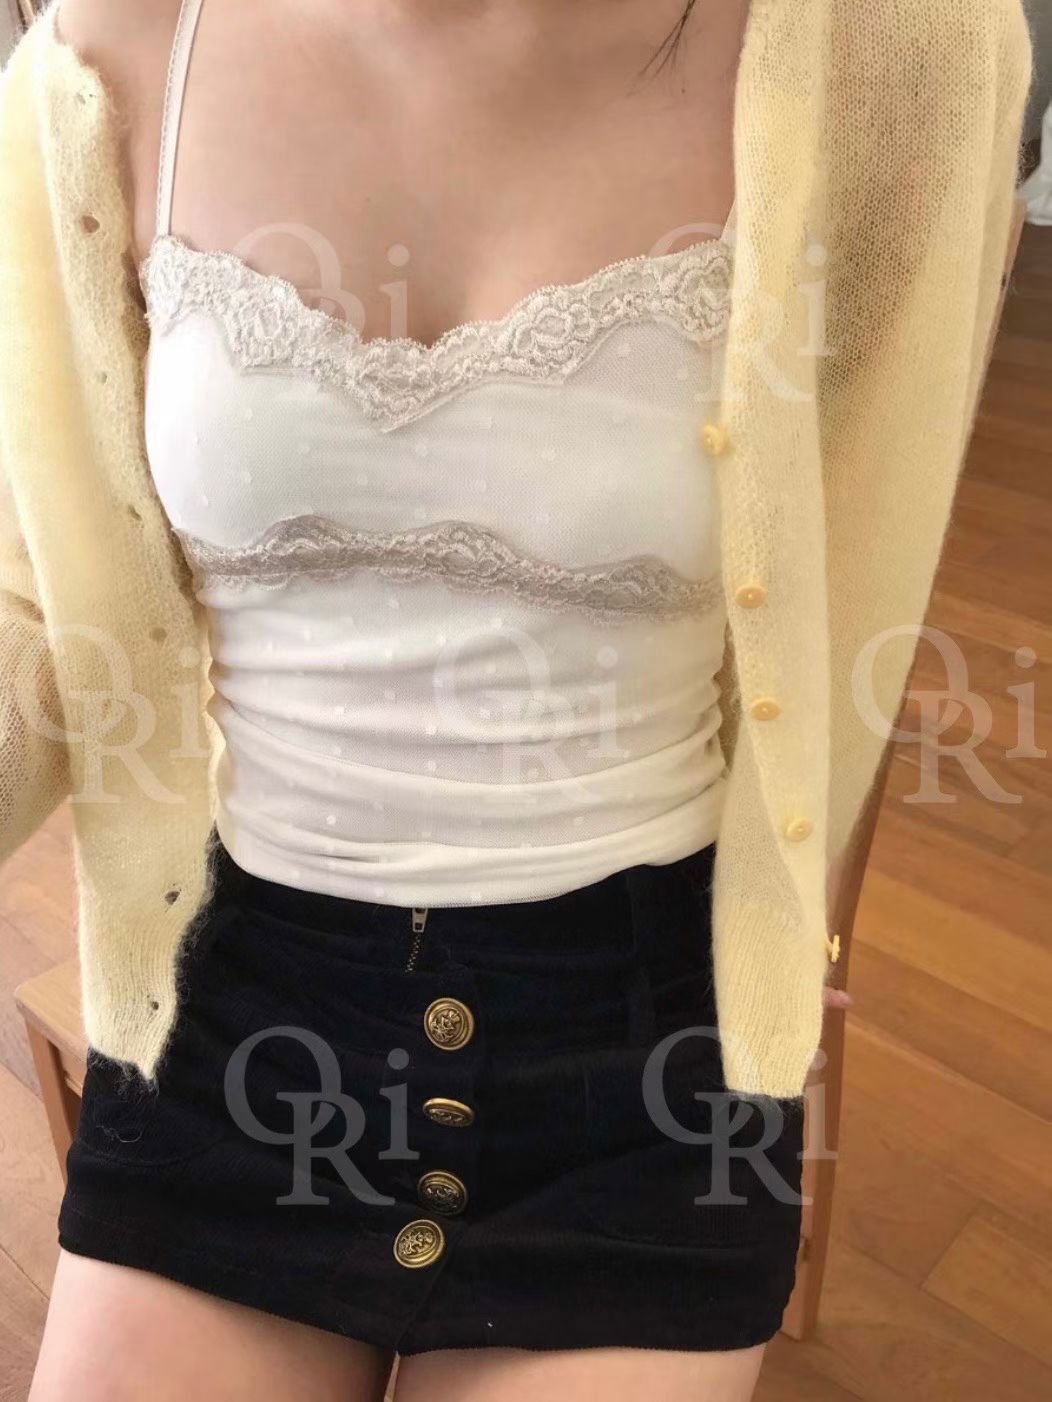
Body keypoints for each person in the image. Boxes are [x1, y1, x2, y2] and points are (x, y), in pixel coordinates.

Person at [0, 1, 1031, 1399]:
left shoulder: (897, 51)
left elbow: (856, 583)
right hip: (231, 1008)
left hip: (646, 1045)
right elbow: (37, 608)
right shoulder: (100, 57)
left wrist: (795, 943)